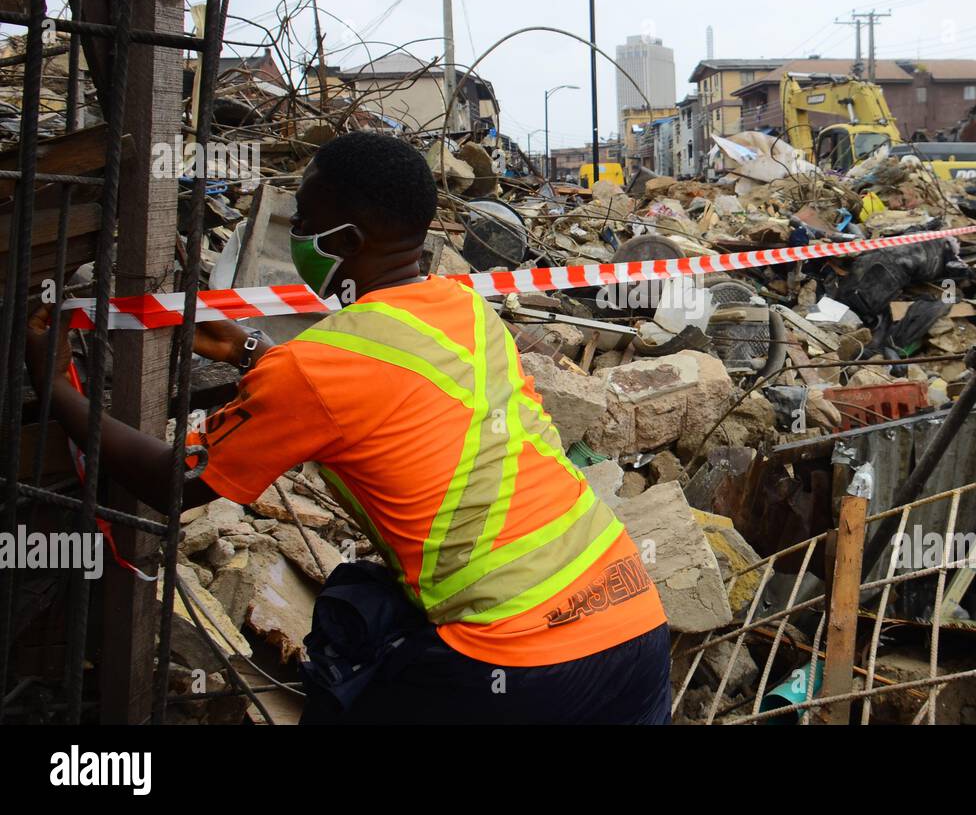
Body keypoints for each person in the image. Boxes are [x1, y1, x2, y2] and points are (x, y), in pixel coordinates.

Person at [26, 131, 671, 725]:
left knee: (346, 662)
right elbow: (372, 385)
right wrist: (251, 352)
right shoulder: (465, 310)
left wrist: (54, 386)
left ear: (347, 242)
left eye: (304, 221)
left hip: (523, 662)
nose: (297, 232)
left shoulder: (316, 368)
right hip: (634, 625)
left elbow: (173, 480)